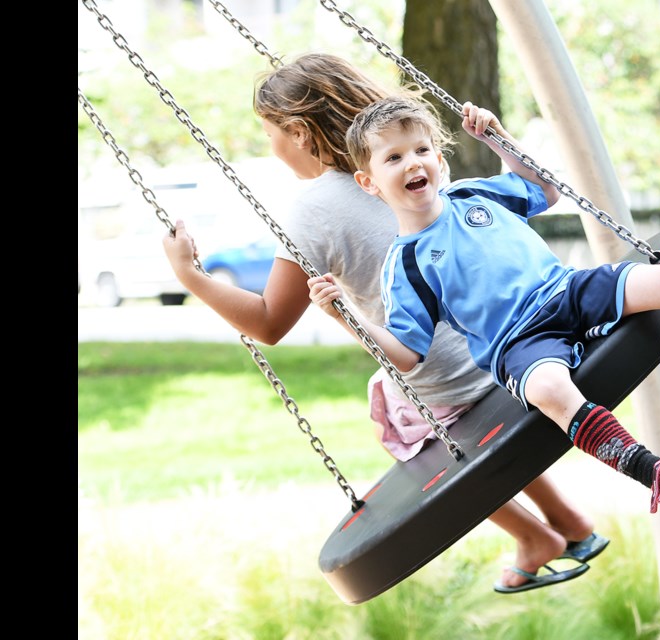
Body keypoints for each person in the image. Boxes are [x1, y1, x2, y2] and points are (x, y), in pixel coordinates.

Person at [162, 53, 608, 594]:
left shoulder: (313, 209)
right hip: (512, 346)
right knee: (467, 421)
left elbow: (268, 322)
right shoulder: (410, 160)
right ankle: (572, 523)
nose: (271, 148)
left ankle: (536, 538)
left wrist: (192, 277)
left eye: (270, 134)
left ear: (299, 133)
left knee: (419, 430)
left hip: (444, 379)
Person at [307, 95, 660, 519]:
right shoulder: (403, 264)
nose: (414, 163)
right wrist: (345, 317)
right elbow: (406, 353)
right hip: (515, 345)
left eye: (423, 149)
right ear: (369, 182)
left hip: (567, 290)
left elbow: (544, 192)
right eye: (395, 157)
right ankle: (657, 473)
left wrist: (500, 138)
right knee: (552, 392)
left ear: (439, 158)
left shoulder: (474, 194)